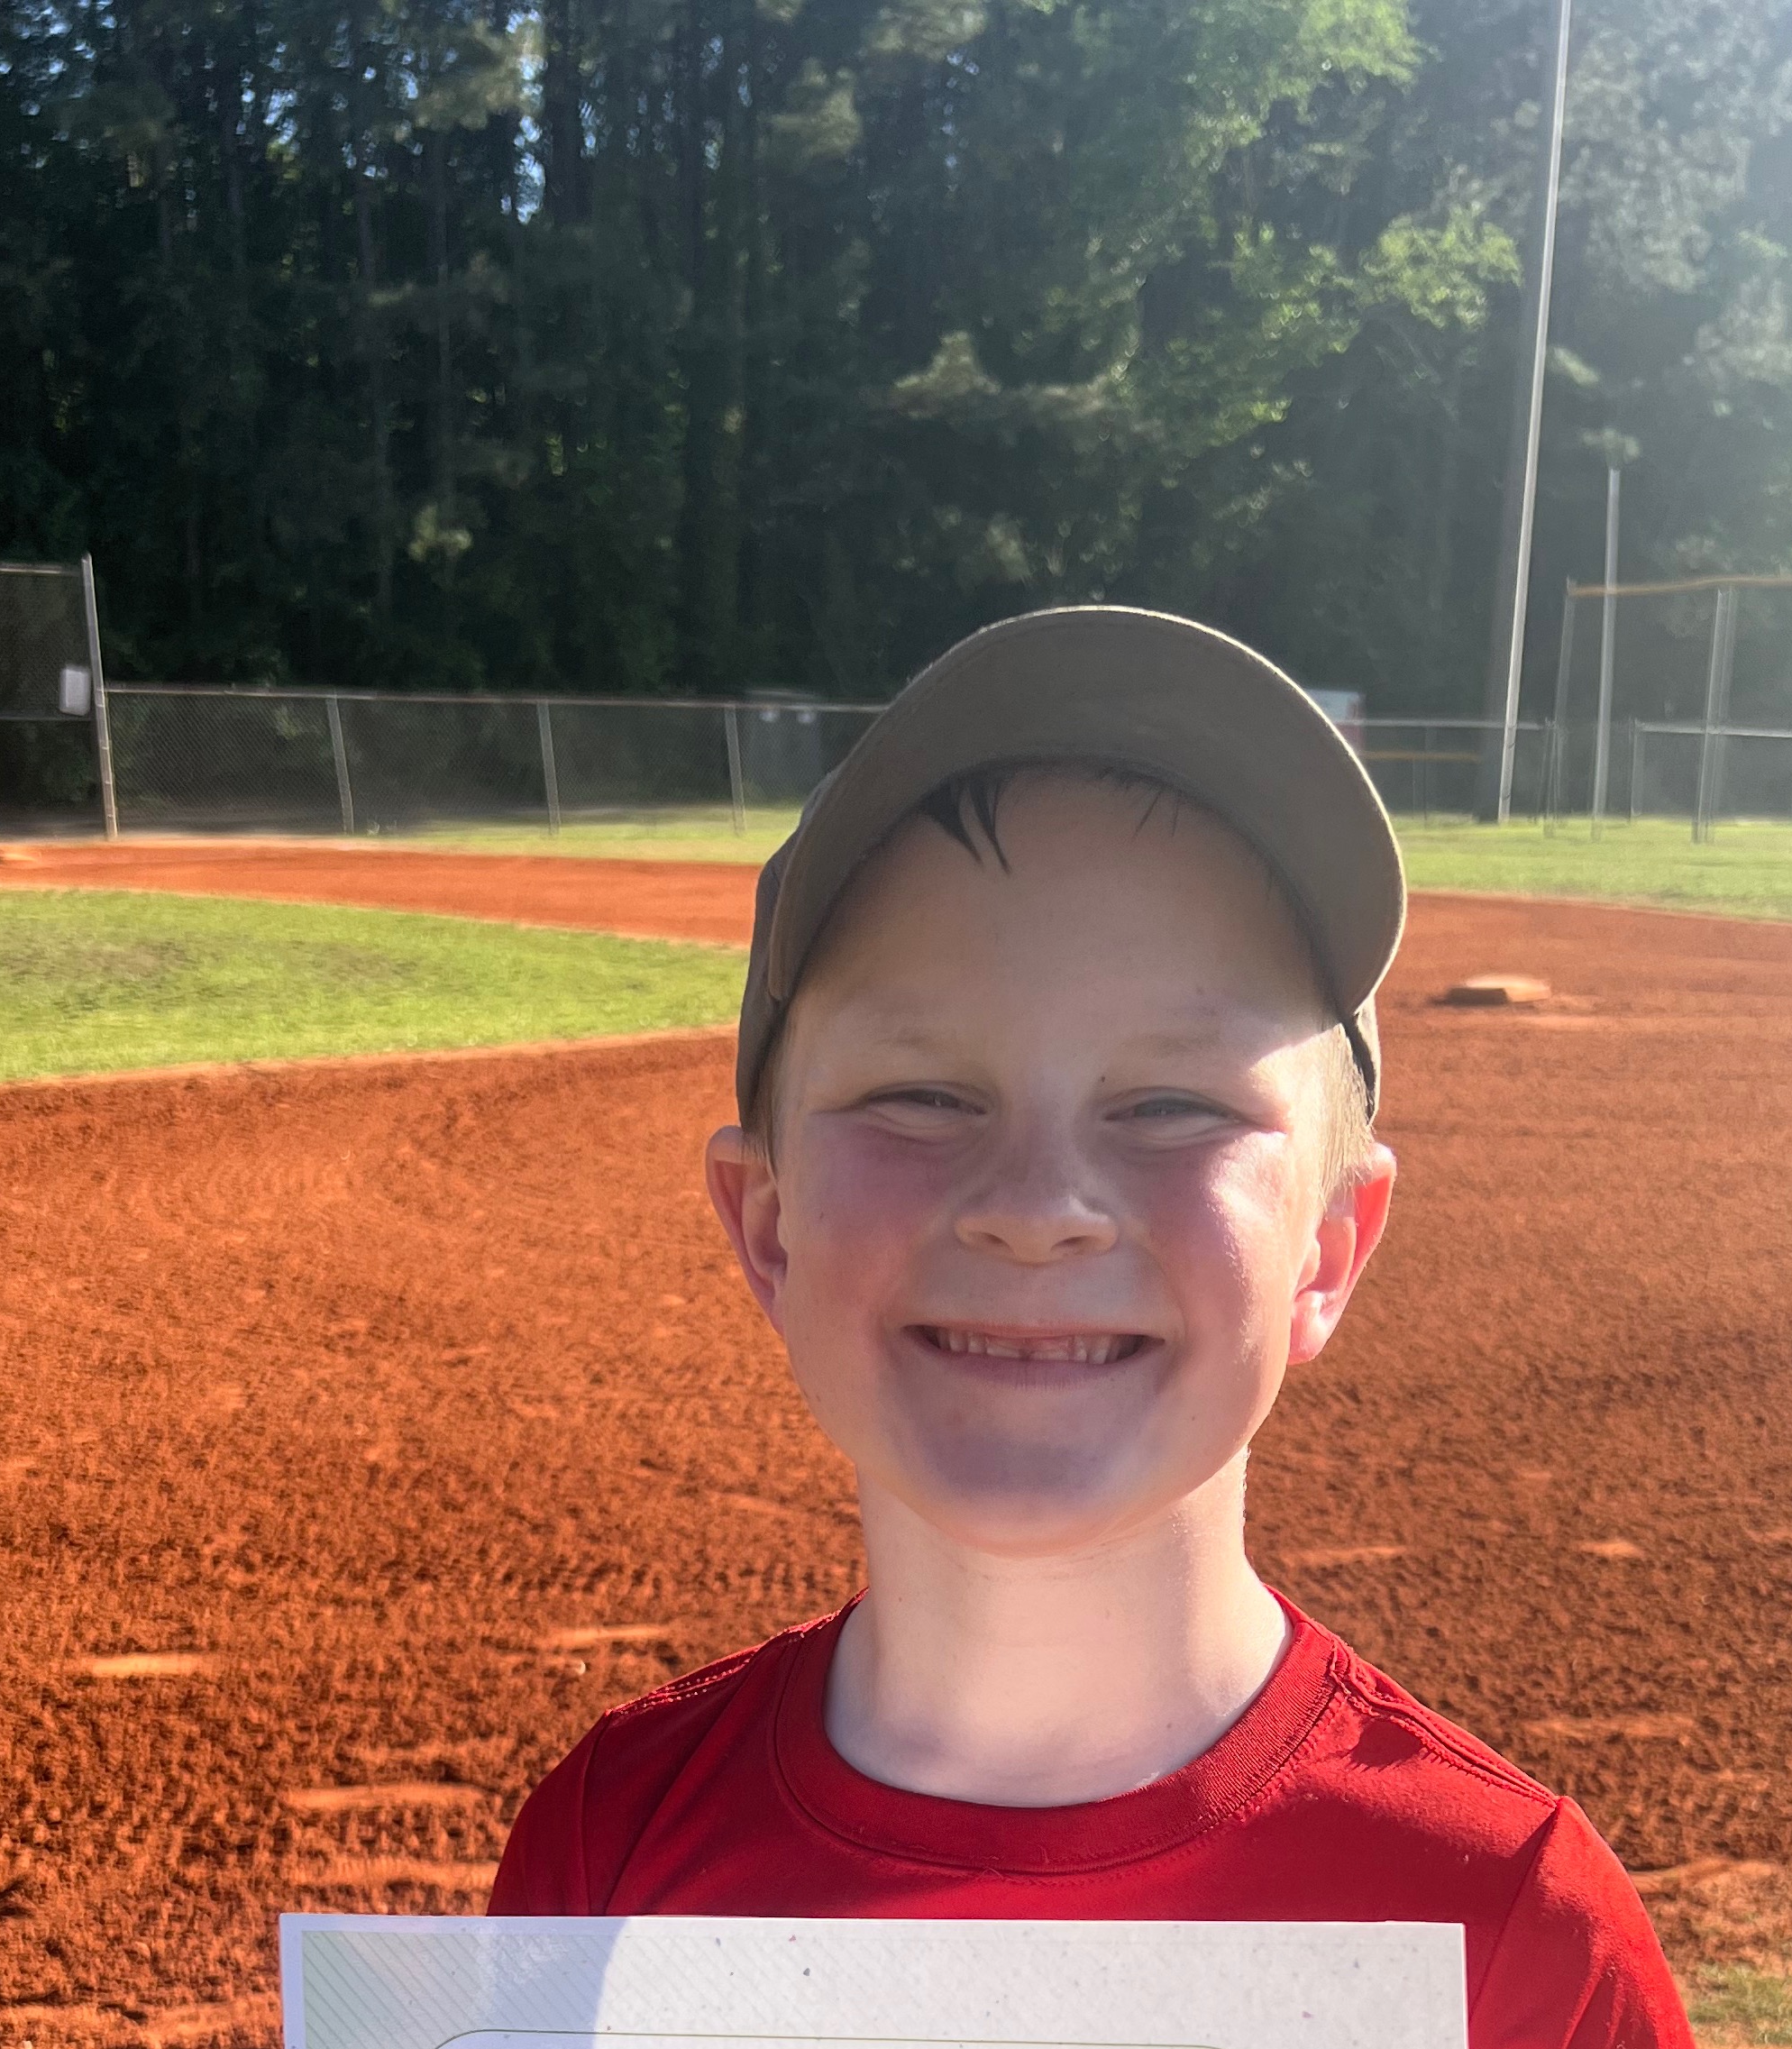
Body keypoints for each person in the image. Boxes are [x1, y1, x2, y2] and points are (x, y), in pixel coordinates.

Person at [489, 607, 1694, 2049]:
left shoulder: (1515, 1936)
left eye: (1173, 1104)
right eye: (921, 1095)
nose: (1036, 1206)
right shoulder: (604, 1852)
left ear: (1327, 1247)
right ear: (768, 1223)